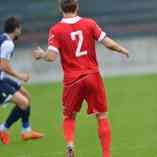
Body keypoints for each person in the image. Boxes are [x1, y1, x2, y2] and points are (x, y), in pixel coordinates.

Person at [32, 0, 129, 156]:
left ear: (60, 8)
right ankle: (106, 154)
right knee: (101, 116)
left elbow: (51, 57)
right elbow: (107, 43)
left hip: (72, 80)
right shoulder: (89, 23)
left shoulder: (56, 30)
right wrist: (122, 49)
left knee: (69, 116)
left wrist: (41, 54)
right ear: (77, 6)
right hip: (92, 75)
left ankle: (70, 145)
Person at [0, 16, 44, 144]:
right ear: (16, 29)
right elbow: (4, 65)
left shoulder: (2, 38)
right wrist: (20, 76)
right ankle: (7, 129)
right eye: (20, 28)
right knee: (23, 103)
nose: (20, 30)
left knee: (26, 96)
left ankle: (26, 130)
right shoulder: (8, 44)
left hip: (2, 78)